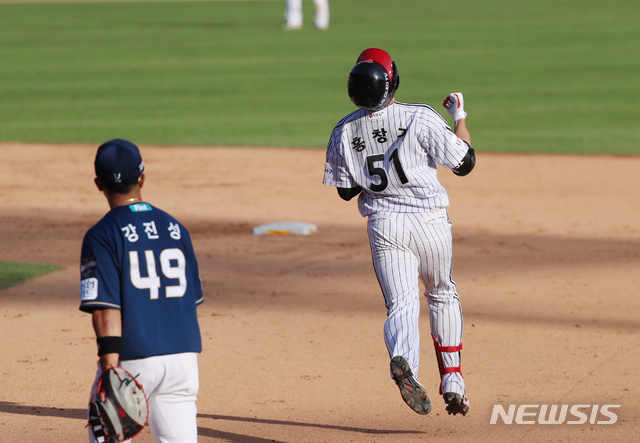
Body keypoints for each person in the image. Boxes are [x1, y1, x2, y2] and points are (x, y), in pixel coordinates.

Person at [322, 48, 475, 416]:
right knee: (441, 293)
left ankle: (404, 361)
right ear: (392, 82)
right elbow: (464, 162)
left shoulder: (343, 130)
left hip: (385, 225)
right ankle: (453, 380)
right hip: (431, 223)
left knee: (402, 304)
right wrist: (460, 116)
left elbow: (345, 190)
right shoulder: (420, 116)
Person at [79, 139, 204, 441]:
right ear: (142, 178)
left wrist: (109, 366)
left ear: (99, 184)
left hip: (134, 357)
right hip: (183, 357)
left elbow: (106, 309)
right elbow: (191, 299)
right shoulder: (175, 228)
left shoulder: (102, 234)